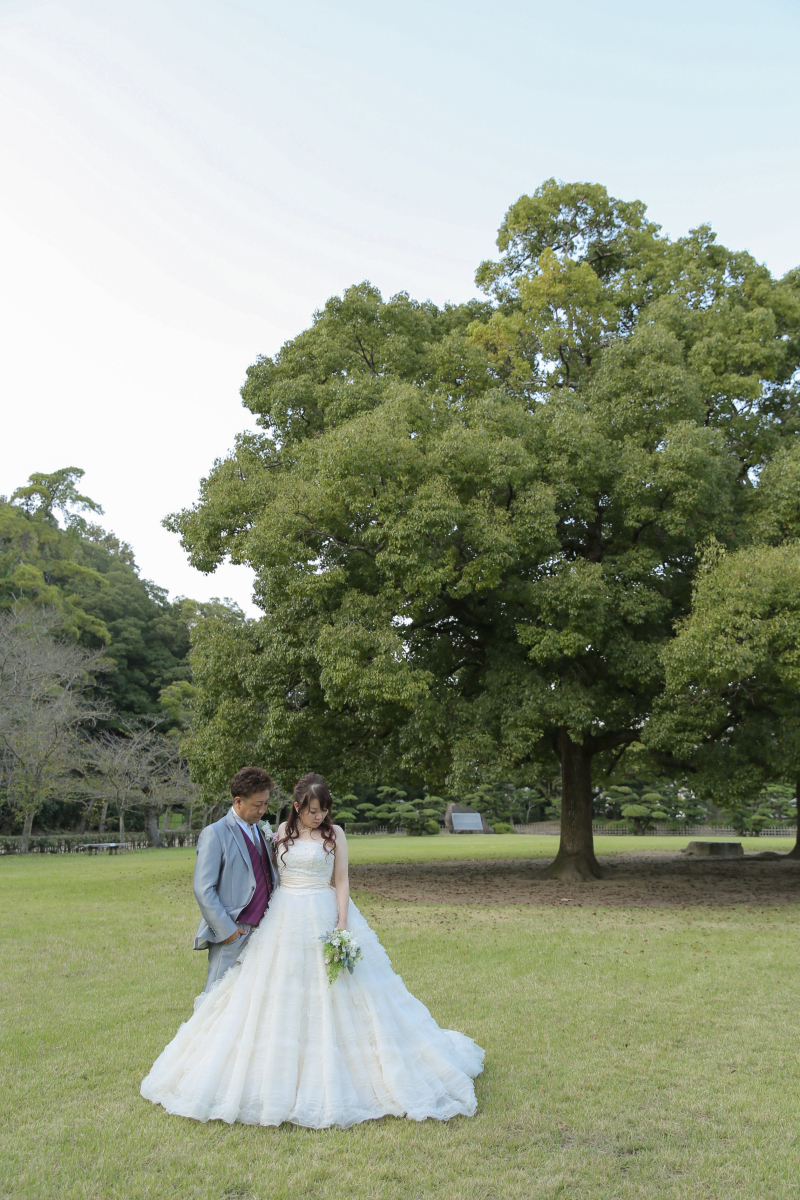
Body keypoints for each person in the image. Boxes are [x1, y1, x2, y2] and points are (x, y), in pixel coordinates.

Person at [141, 772, 484, 1129]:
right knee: (272, 994)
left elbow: (341, 880)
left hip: (322, 911)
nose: (319, 816)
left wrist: (342, 923)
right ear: (297, 807)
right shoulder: (277, 832)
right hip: (282, 918)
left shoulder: (331, 834)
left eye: (324, 810)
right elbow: (244, 880)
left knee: (341, 992)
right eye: (312, 810)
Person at [192, 766, 279, 992]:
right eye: (257, 805)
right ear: (238, 801)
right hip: (234, 931)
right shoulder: (215, 833)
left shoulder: (261, 831)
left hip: (264, 931)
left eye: (266, 804)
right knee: (217, 995)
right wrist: (227, 930)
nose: (263, 810)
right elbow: (203, 888)